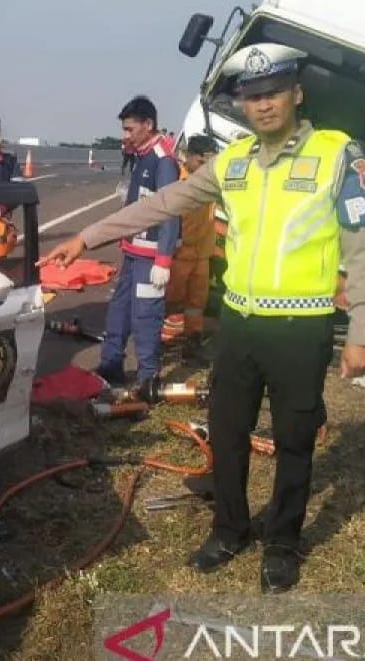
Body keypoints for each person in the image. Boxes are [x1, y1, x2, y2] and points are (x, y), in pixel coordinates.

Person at [38, 43, 365, 593]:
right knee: (229, 431)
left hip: (302, 329)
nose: (263, 105)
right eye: (252, 96)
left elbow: (360, 249)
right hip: (239, 326)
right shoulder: (231, 164)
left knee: (294, 439)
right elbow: (162, 204)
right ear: (243, 104)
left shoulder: (337, 157)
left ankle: (282, 542)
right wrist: (88, 236)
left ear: (296, 95)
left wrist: (360, 330)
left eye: (273, 93)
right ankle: (230, 528)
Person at [95, 95, 181, 387]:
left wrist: (164, 260)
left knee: (145, 317)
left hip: (150, 257)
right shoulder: (143, 155)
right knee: (119, 311)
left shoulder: (163, 160)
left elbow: (171, 210)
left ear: (148, 124)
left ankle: (147, 378)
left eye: (130, 129)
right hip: (133, 252)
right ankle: (110, 365)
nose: (126, 135)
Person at [165, 134, 219, 355]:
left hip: (202, 254)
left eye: (209, 163)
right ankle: (161, 340)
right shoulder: (175, 181)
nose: (205, 167)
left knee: (197, 302)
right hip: (179, 255)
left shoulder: (212, 182)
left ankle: (192, 339)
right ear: (189, 157)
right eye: (201, 162)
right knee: (171, 300)